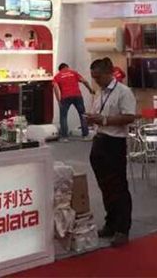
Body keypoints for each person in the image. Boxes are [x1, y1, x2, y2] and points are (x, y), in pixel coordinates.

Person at [84, 57, 137, 248]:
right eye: (93, 77)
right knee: (104, 187)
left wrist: (105, 120)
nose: (96, 81)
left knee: (118, 187)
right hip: (99, 141)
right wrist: (93, 119)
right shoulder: (100, 92)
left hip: (115, 143)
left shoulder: (123, 92)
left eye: (98, 77)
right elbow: (99, 115)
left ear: (109, 73)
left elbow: (129, 117)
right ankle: (111, 223)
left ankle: (122, 229)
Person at [52, 63, 93, 142]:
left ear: (60, 69)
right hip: (77, 96)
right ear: (67, 67)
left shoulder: (57, 76)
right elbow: (84, 81)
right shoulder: (74, 73)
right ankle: (85, 136)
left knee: (63, 117)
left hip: (65, 97)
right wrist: (90, 89)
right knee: (82, 115)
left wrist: (58, 101)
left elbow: (56, 88)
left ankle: (64, 137)